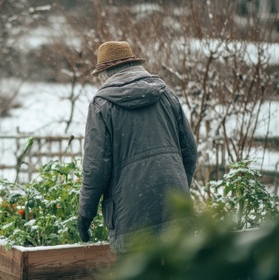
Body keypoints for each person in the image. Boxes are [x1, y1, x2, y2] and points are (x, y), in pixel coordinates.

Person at [77, 41, 198, 260]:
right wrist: (176, 191)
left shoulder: (102, 105)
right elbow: (190, 153)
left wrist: (85, 215)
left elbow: (95, 170)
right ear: (134, 64)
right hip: (176, 212)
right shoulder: (166, 94)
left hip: (131, 219)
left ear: (104, 73)